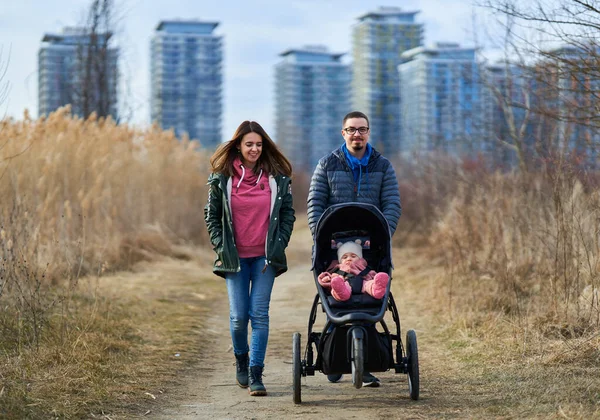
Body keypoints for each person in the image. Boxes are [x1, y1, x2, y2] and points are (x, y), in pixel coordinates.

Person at [307, 110, 401, 387]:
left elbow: (392, 203)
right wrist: (320, 236)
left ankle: (367, 361)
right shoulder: (327, 164)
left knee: (368, 297)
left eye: (362, 129)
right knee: (338, 293)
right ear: (343, 133)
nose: (357, 134)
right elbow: (315, 204)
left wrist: (385, 233)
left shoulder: (382, 166)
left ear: (368, 132)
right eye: (351, 129)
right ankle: (335, 355)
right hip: (335, 245)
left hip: (371, 244)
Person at [204, 120, 295, 397]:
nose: (254, 149)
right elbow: (212, 217)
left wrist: (279, 245)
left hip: (264, 259)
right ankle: (241, 359)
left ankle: (256, 373)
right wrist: (221, 246)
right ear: (239, 146)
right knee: (238, 318)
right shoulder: (221, 178)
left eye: (258, 144)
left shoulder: (277, 179)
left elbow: (288, 215)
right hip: (235, 259)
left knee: (260, 316)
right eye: (249, 144)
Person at [318, 240, 389, 302]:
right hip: (344, 283)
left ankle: (376, 289)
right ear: (340, 260)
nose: (349, 258)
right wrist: (327, 279)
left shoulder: (363, 266)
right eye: (345, 257)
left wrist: (376, 278)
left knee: (369, 284)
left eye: (353, 256)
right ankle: (341, 292)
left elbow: (371, 274)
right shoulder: (338, 268)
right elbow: (330, 276)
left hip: (363, 283)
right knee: (337, 284)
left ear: (359, 258)